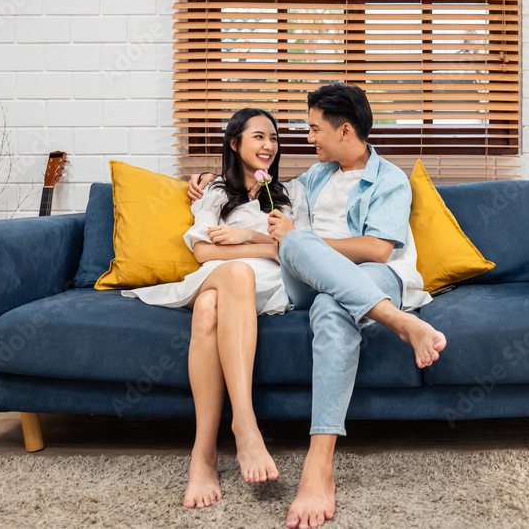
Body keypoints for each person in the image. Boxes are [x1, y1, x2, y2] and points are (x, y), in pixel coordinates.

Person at [189, 84, 446, 529]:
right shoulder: (316, 175)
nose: (308, 138)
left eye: (314, 129)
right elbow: (263, 193)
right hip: (306, 276)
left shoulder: (389, 179)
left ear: (344, 130)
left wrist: (296, 241)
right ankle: (394, 319)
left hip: (371, 277)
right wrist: (208, 185)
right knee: (303, 252)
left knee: (331, 306)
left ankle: (318, 465)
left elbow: (378, 249)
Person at [126, 108, 309, 509]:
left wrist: (245, 238)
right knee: (234, 276)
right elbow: (204, 250)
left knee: (210, 306)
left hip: (269, 287)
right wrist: (261, 248)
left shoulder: (290, 195)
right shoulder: (215, 193)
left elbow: (298, 252)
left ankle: (203, 456)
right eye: (258, 136)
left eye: (274, 138)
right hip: (218, 274)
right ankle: (244, 423)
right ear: (234, 143)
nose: (268, 145)